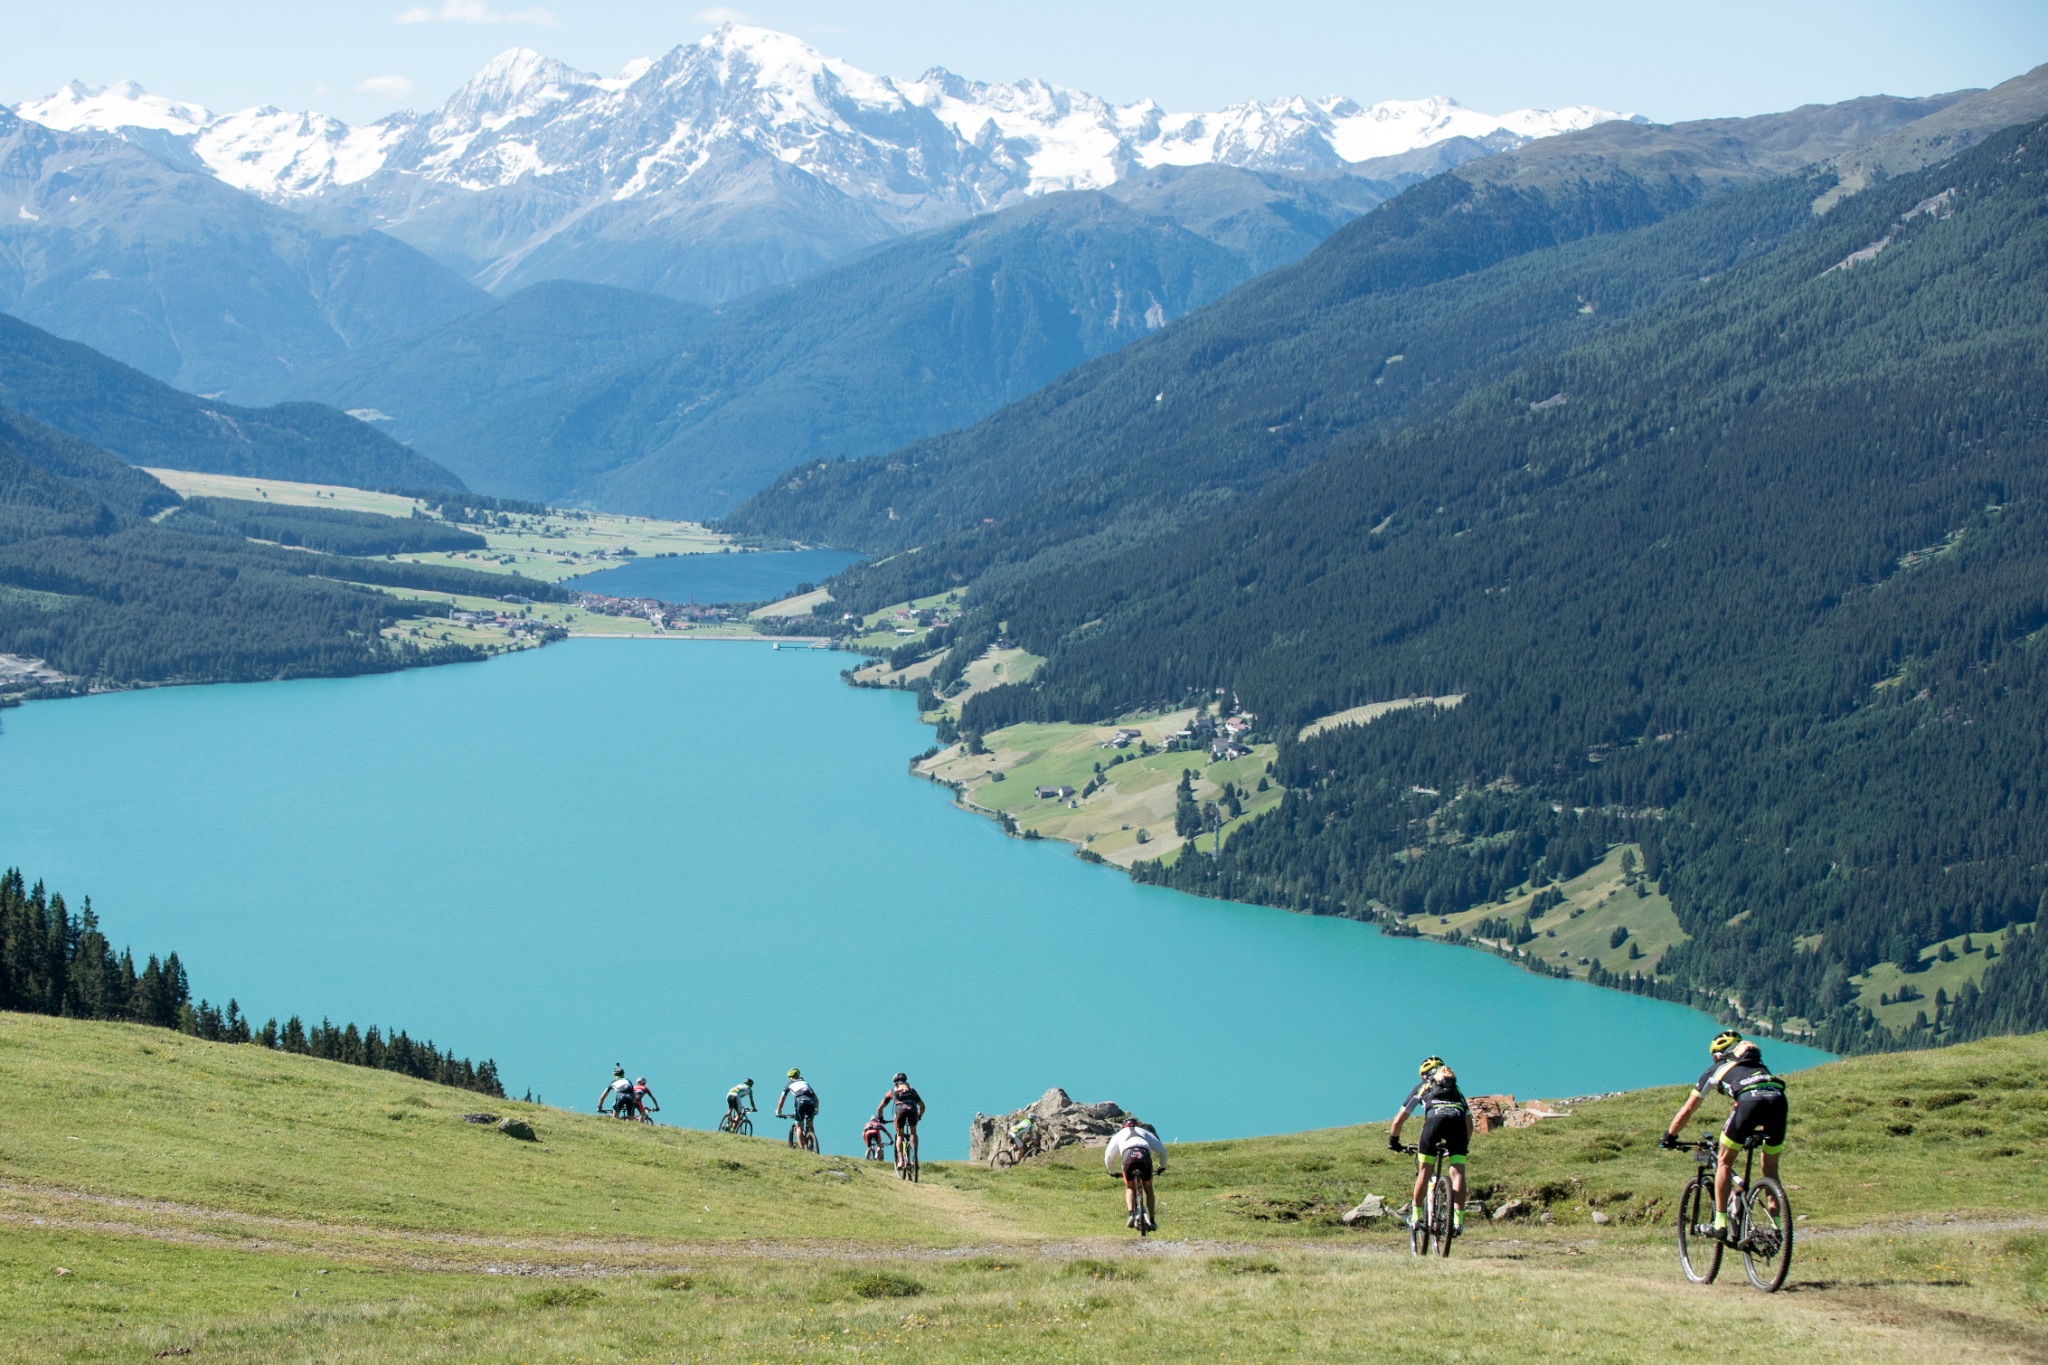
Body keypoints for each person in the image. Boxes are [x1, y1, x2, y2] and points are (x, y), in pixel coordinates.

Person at [1660, 1031, 1789, 1240]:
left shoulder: (1715, 1069)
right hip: (1778, 1100)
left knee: (1724, 1161)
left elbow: (1687, 1111)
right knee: (1770, 1170)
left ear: (1717, 1055)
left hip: (1749, 1102)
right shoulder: (1759, 1065)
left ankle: (1719, 1222)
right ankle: (1776, 1228)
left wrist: (1669, 1136)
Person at [1389, 1055, 1471, 1236]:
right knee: (1458, 1173)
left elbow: (1398, 1121)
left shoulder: (1423, 1087)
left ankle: (1416, 1217)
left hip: (1434, 1122)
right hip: (1457, 1126)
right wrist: (1464, 1144)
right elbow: (1469, 1121)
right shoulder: (1456, 1089)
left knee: (1425, 1171)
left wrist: (1393, 1142)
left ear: (1424, 1076)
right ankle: (1458, 1222)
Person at [1104, 1116, 1166, 1231]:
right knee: (1148, 1188)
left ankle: (1131, 1214)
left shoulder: (1119, 1135)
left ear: (1124, 1125)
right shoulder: (1144, 1132)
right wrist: (1161, 1167)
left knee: (1130, 1187)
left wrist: (1112, 1172)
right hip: (1144, 1156)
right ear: (1136, 1125)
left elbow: (1108, 1156)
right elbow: (1162, 1151)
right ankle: (1152, 1220)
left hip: (1128, 1157)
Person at [875, 1072, 925, 1170]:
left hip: (900, 1110)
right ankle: (914, 1158)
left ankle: (901, 1161)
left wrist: (881, 1119)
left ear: (895, 1082)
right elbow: (922, 1106)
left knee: (899, 1135)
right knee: (913, 1132)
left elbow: (880, 1108)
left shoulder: (892, 1091)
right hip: (912, 1110)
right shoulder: (912, 1090)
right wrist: (919, 1115)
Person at [776, 1067, 819, 1140]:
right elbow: (816, 1099)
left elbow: (781, 1100)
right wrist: (816, 1109)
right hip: (811, 1102)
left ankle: (801, 1148)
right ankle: (812, 1143)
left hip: (800, 1102)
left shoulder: (788, 1085)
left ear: (790, 1078)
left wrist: (778, 1111)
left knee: (799, 1126)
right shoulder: (805, 1083)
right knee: (810, 1123)